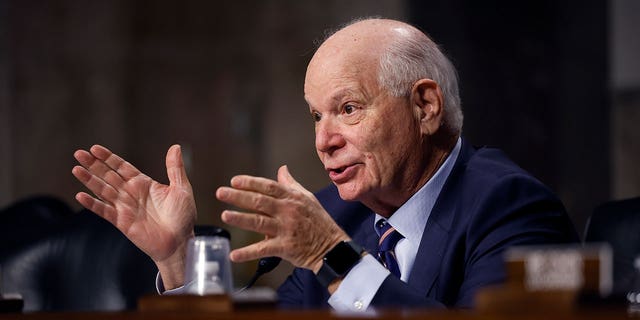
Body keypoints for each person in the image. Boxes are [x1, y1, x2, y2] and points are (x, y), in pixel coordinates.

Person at [72, 18, 578, 311]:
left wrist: (333, 257)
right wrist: (178, 261)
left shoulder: (510, 207)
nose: (323, 141)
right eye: (316, 116)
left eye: (348, 109)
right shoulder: (338, 213)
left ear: (425, 107)